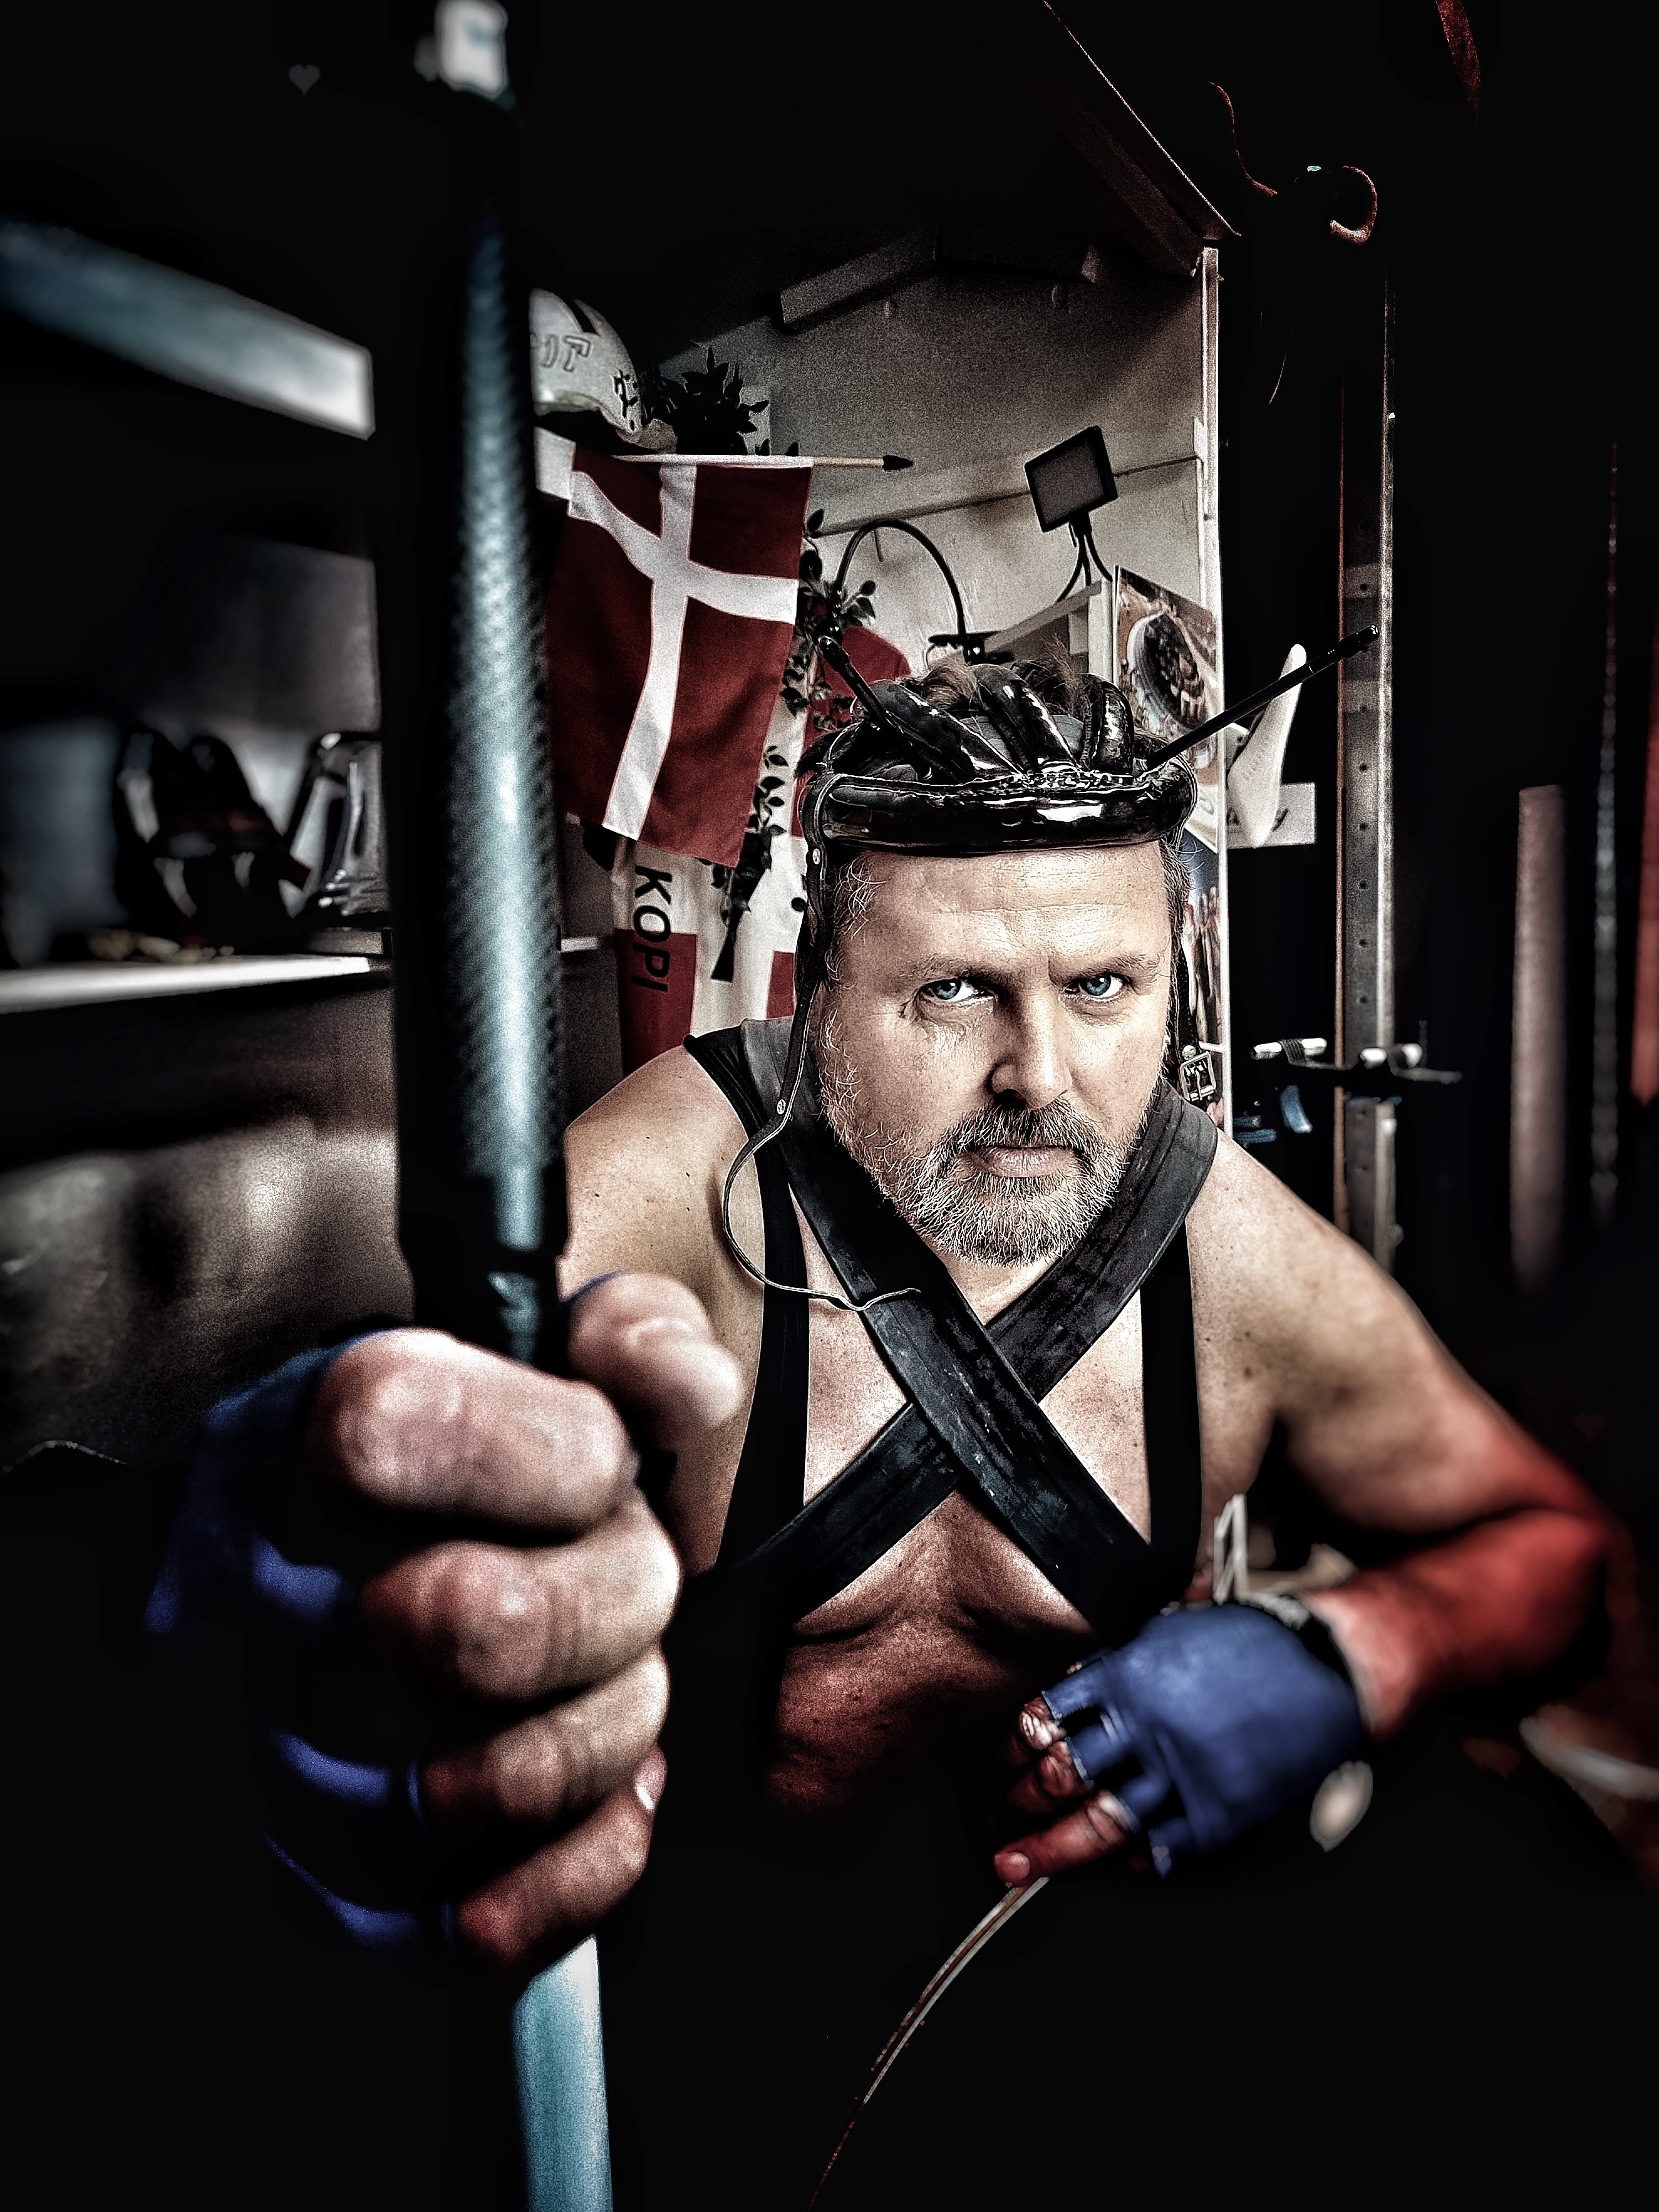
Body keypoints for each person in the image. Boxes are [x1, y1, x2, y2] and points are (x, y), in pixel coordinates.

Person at [153, 655, 1616, 2204]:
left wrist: (1345, 1655)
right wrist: (325, 1565)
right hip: (681, 2031)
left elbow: (1557, 1550)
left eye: (1102, 988)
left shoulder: (1234, 1259)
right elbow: (416, 1470)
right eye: (957, 990)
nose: (1039, 1076)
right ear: (821, 983)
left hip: (1035, 2009)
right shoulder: (663, 1197)